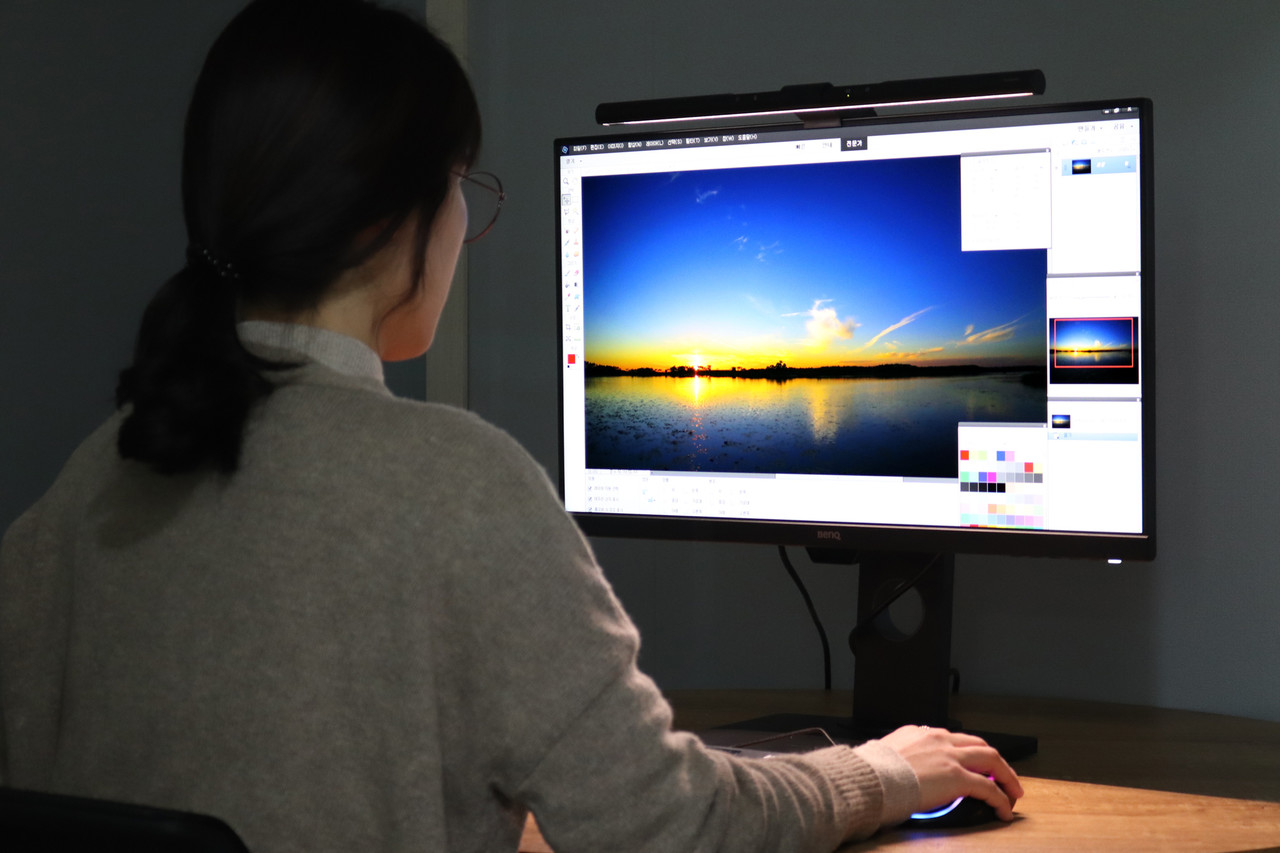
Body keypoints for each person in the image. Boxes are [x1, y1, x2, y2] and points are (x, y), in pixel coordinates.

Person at [0, 1, 1022, 850]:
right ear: (389, 217)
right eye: (460, 187)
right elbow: (667, 827)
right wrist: (880, 773)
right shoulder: (454, 484)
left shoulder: (91, 483)